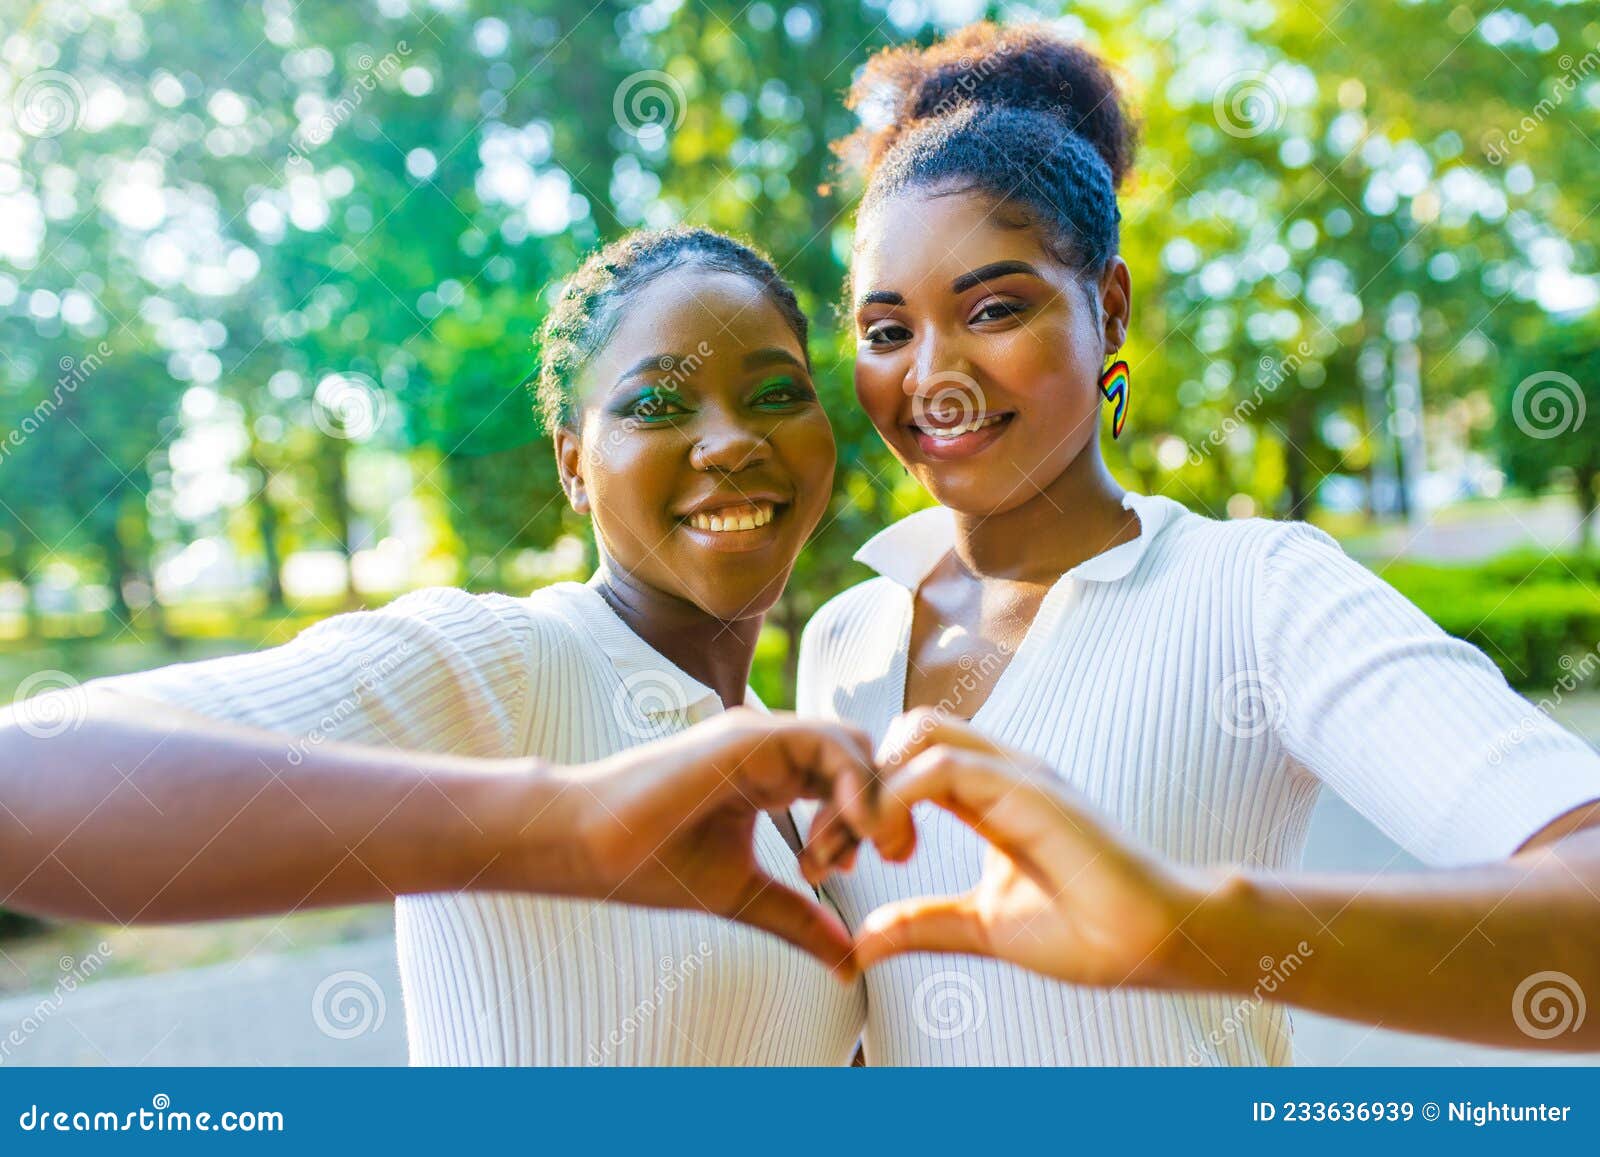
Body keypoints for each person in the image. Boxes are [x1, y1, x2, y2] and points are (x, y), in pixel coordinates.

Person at [796, 23, 1600, 1064]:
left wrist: (1183, 923)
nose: (932, 375)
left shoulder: (1256, 590)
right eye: (887, 330)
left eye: (993, 308)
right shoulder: (842, 640)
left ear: (1109, 306)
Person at [3, 227, 880, 1066]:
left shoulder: (787, 762)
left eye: (776, 394)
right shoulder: (504, 663)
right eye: (655, 404)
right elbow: (25, 778)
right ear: (574, 465)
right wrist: (565, 826)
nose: (731, 440)